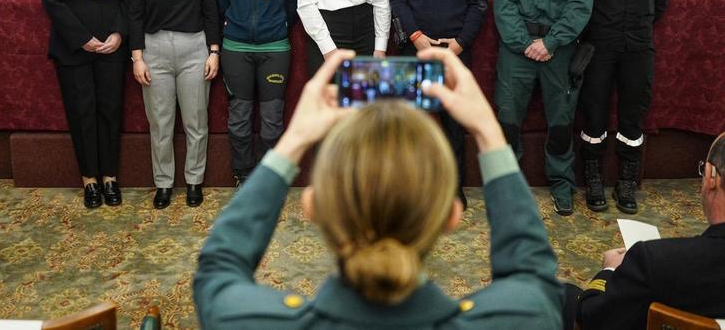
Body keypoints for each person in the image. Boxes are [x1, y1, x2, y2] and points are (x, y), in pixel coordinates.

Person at [193, 48, 563, 329]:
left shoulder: (243, 320)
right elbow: (531, 275)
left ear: (312, 206)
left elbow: (218, 268)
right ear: (453, 214)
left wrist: (292, 142)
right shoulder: (527, 316)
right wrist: (488, 130)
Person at [493, 0, 593, 216]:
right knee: (508, 120)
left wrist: (550, 43)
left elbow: (580, 5)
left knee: (561, 122)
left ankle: (562, 186)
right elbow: (503, 5)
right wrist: (526, 44)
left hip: (559, 49)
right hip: (517, 50)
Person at [37, 0, 135, 208]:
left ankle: (110, 177)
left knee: (110, 112)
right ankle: (89, 181)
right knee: (82, 113)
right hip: (72, 47)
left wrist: (119, 33)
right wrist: (83, 39)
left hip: (113, 45)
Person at [390, 0, 488, 209]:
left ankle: (452, 188)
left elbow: (478, 3)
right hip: (415, 49)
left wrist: (460, 43)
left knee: (452, 126)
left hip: (454, 54)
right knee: (410, 125)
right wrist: (416, 36)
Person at [579, 0, 672, 214]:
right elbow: (583, 1)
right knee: (594, 112)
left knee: (633, 114)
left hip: (638, 48)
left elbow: (660, 5)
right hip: (600, 47)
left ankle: (626, 182)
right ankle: (593, 180)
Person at [574, 132, 725, 329]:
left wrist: (609, 270)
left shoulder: (654, 261)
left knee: (561, 297)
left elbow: (591, 319)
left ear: (711, 177)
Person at [129, 0, 220, 209]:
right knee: (161, 123)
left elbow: (211, 13)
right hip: (154, 52)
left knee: (196, 122)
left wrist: (214, 52)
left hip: (195, 49)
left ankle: (194, 180)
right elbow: (135, 18)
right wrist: (137, 58)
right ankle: (164, 182)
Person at [212, 0, 299, 187]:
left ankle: (270, 178)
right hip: (235, 47)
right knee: (239, 117)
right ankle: (242, 173)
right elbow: (221, 1)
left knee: (272, 120)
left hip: (275, 47)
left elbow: (292, 3)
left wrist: (275, 26)